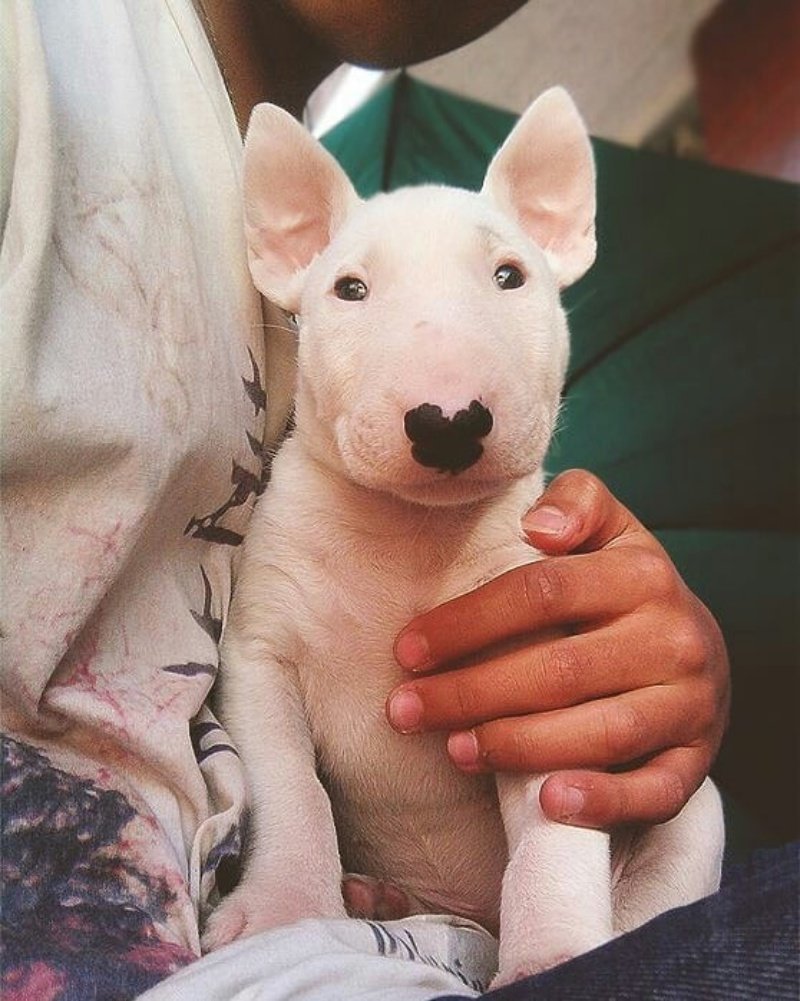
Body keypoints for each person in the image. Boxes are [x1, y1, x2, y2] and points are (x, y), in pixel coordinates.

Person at [1, 2, 780, 1000]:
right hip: (239, 936)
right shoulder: (49, 53)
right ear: (285, 247)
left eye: (508, 272)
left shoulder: (493, 502)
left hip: (465, 942)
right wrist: (294, 869)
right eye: (354, 292)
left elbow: (561, 734)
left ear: (557, 232)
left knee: (687, 814)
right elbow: (265, 662)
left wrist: (667, 681)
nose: (445, 391)